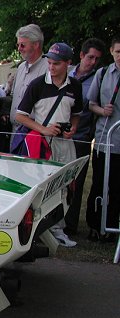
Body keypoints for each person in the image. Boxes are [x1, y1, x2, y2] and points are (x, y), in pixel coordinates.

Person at [16, 43, 83, 247]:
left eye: (56, 63)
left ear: (68, 64)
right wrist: (43, 129)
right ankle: (38, 230)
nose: (51, 67)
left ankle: (58, 229)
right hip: (42, 144)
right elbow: (20, 115)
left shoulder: (75, 86)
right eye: (50, 62)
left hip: (64, 143)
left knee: (65, 186)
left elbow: (77, 114)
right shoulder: (37, 84)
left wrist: (72, 128)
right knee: (41, 187)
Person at [64, 38, 106, 236]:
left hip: (82, 135)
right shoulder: (66, 72)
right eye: (90, 57)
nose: (93, 62)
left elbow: (94, 104)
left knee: (77, 182)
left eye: (97, 59)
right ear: (81, 55)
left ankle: (70, 225)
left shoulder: (99, 77)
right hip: (61, 135)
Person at [85, 36, 120, 242]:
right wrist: (101, 110)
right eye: (118, 52)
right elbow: (90, 104)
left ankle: (112, 227)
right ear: (112, 51)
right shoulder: (103, 73)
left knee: (117, 188)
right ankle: (95, 225)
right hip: (104, 139)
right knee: (99, 184)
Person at [10, 24, 48, 135]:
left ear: (36, 45)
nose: (19, 49)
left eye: (22, 45)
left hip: (34, 134)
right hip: (15, 132)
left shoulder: (48, 69)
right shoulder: (21, 67)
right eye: (18, 45)